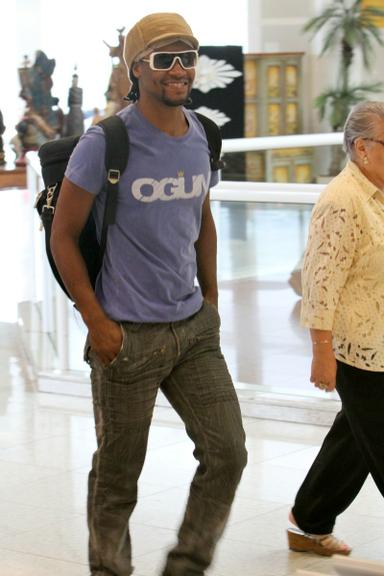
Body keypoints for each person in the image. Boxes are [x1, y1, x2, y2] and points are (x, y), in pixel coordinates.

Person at [50, 12, 247, 576]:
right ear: (137, 69)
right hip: (125, 336)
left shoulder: (203, 134)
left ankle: (185, 566)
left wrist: (209, 299)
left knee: (228, 453)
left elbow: (202, 218)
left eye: (187, 57)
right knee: (117, 476)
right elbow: (64, 236)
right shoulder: (105, 142)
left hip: (191, 331)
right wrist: (97, 322)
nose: (179, 69)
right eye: (164, 59)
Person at [287, 100, 384, 557]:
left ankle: (307, 520)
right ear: (362, 148)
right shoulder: (342, 201)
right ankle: (308, 521)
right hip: (357, 349)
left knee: (353, 440)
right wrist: (321, 352)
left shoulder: (379, 192)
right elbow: (320, 284)